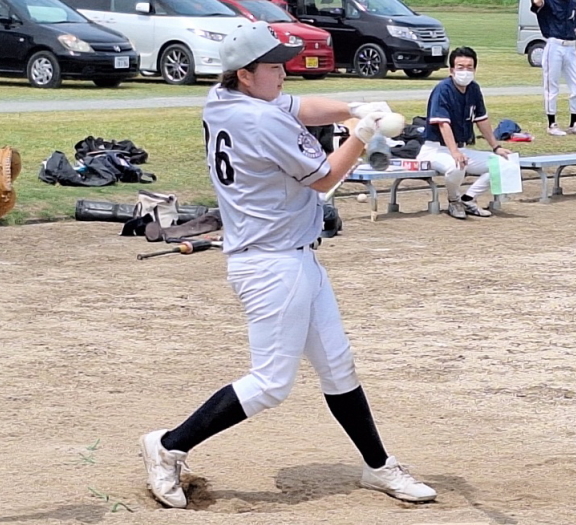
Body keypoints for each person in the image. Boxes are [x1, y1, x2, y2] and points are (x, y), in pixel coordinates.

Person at [138, 20, 437, 509]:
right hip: (271, 265)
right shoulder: (261, 120)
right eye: (273, 66)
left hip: (293, 258)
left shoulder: (223, 99)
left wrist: (355, 107)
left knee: (338, 365)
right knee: (271, 383)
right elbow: (324, 178)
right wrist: (362, 133)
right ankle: (169, 445)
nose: (284, 73)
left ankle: (379, 465)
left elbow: (300, 106)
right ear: (245, 73)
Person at [417, 46, 512, 220]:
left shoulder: (473, 89)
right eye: (460, 67)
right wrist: (454, 152)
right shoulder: (443, 89)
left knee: (503, 163)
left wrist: (496, 147)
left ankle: (468, 199)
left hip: (462, 147)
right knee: (457, 166)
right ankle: (454, 201)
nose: (465, 71)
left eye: (469, 67)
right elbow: (443, 124)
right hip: (435, 149)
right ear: (451, 69)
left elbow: (481, 120)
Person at [530, 0, 576, 137]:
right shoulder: (549, 2)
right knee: (552, 86)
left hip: (571, 46)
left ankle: (574, 124)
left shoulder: (571, 2)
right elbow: (537, 3)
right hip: (555, 45)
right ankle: (552, 124)